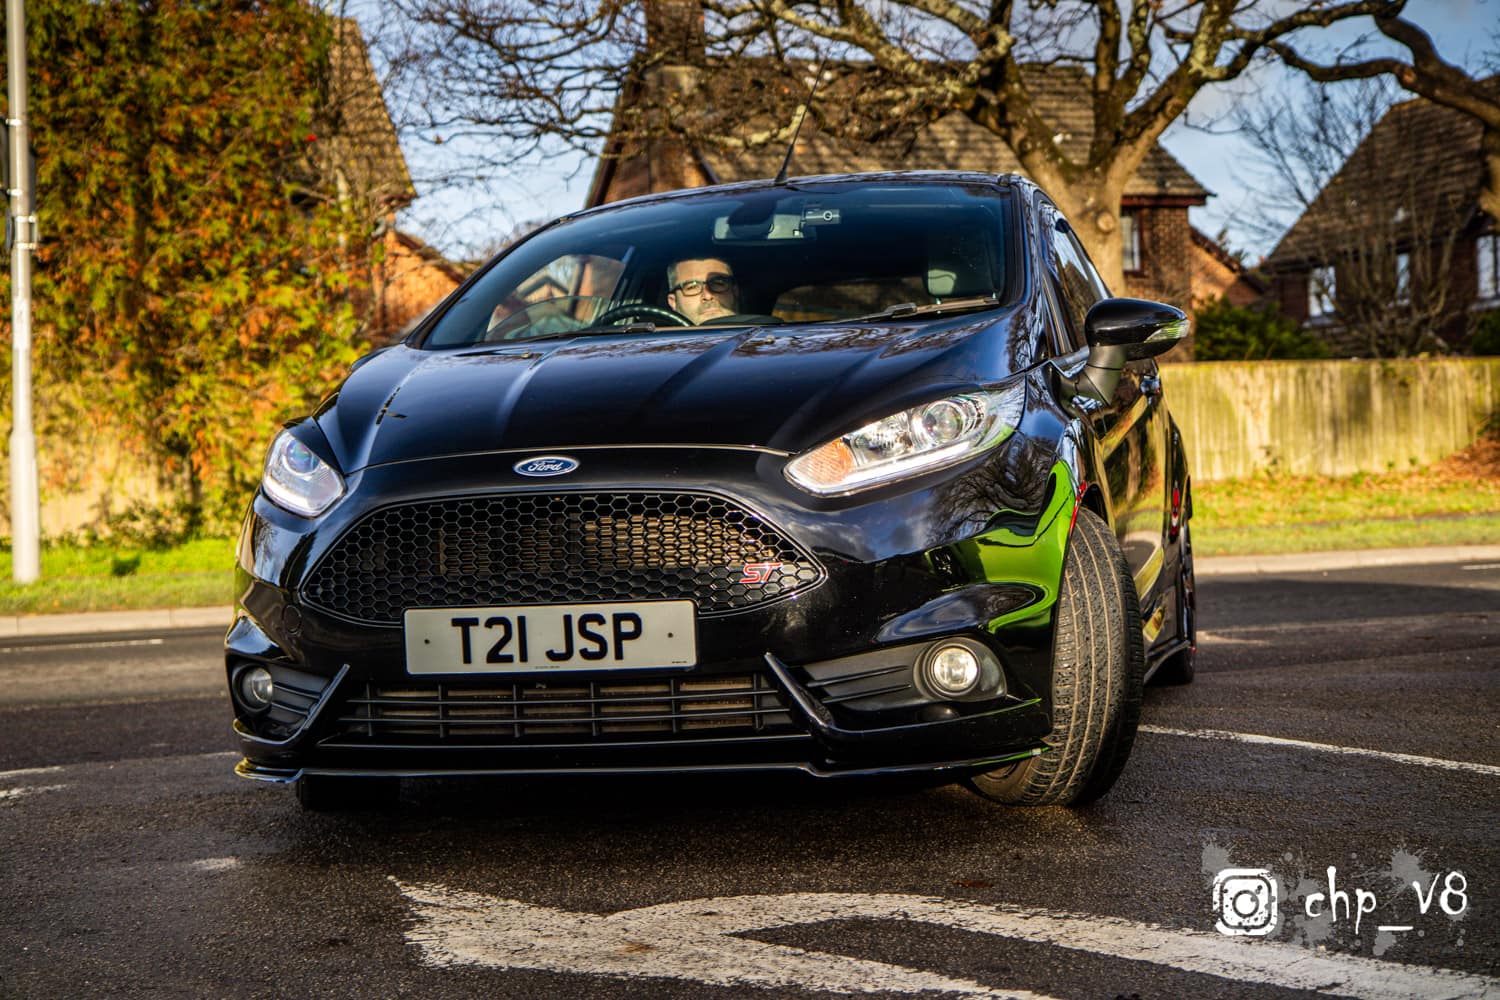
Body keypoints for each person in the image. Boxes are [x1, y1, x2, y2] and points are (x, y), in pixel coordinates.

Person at [666, 257, 740, 325]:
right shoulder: (662, 335)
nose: (708, 296)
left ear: (735, 291)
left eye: (718, 283)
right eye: (692, 287)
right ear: (673, 301)